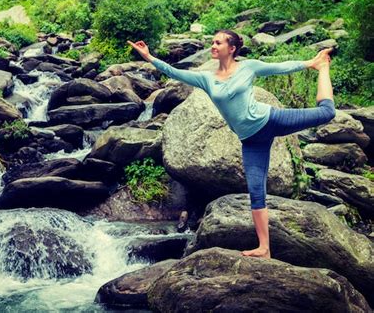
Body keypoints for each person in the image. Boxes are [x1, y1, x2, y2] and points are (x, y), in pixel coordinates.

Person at [127, 30, 335, 259]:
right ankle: (264, 248)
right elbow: (174, 72)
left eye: (218, 42)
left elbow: (281, 66)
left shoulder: (249, 67)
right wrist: (149, 57)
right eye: (212, 42)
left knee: (327, 113)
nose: (213, 45)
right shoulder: (207, 79)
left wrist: (312, 63)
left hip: (271, 120)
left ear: (232, 48)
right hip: (251, 141)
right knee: (256, 192)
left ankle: (323, 68)